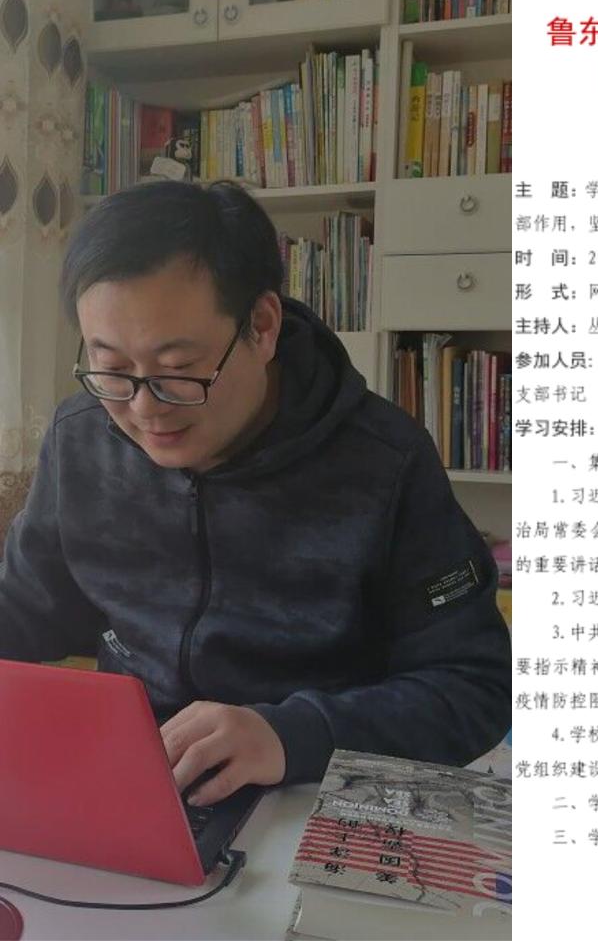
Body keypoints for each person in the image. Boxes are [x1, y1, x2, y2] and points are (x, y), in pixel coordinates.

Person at [0, 180, 511, 807]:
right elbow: (28, 609)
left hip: (311, 786)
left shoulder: (384, 463)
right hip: (138, 780)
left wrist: (291, 734)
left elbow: (475, 685)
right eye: (111, 368)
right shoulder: (81, 437)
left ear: (262, 327)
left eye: (177, 370)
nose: (143, 409)